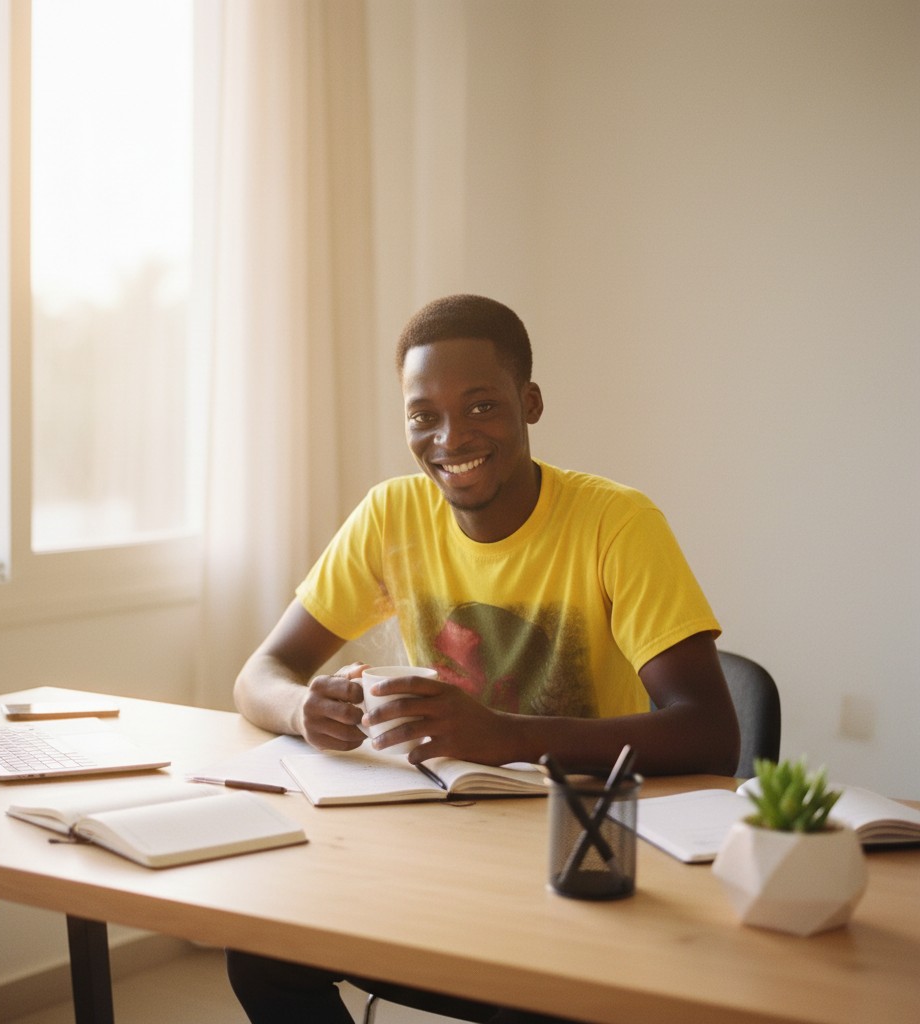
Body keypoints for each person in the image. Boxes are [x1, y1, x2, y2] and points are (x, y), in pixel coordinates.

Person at [226, 294, 739, 1024]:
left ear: (529, 403)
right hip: (440, 843)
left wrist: (506, 735)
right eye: (422, 415)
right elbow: (260, 675)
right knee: (261, 952)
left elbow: (712, 733)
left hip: (574, 853)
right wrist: (302, 710)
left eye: (481, 407)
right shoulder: (391, 515)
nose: (450, 437)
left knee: (533, 1003)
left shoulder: (617, 523)